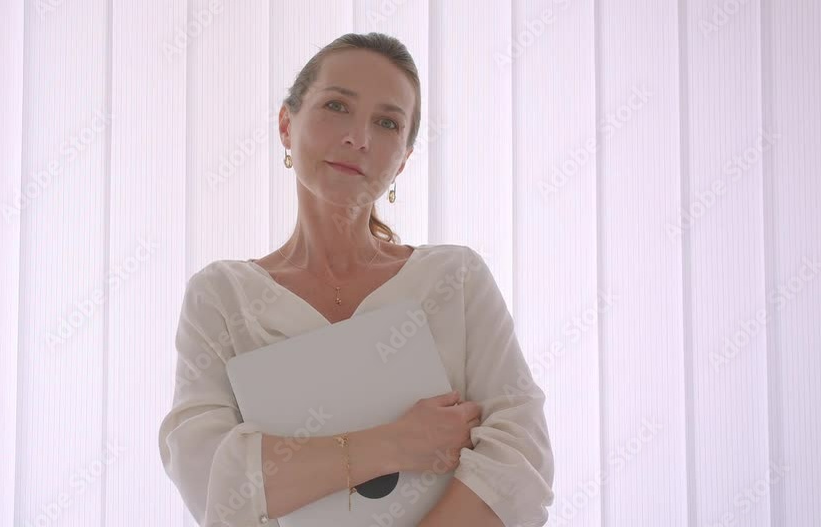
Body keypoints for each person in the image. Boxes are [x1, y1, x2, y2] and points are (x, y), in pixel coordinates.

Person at [158, 32, 553, 527]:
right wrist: (396, 443)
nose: (359, 138)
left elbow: (521, 458)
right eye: (337, 106)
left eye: (387, 122)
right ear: (286, 124)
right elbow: (208, 477)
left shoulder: (457, 279)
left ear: (403, 160)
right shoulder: (222, 295)